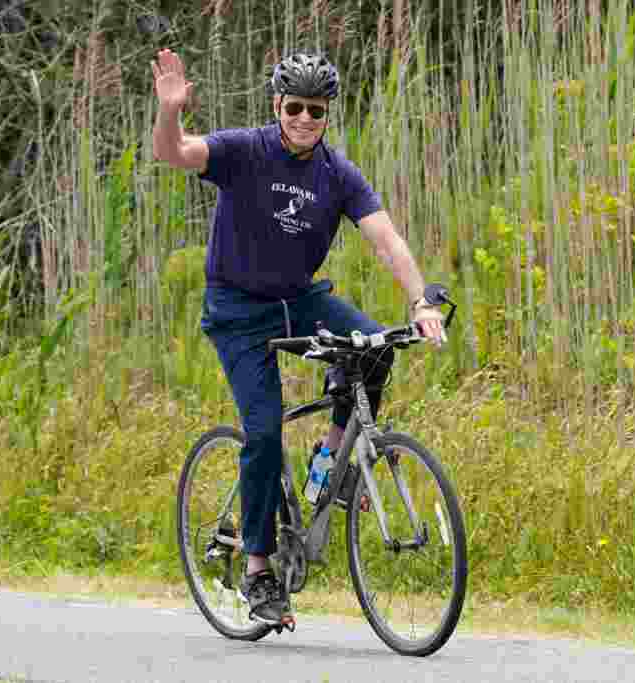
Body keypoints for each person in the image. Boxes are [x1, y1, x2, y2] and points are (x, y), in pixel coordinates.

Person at [151, 48, 446, 626]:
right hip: (237, 310)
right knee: (262, 431)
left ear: (328, 114)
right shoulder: (246, 151)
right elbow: (174, 152)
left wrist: (419, 299)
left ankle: (329, 460)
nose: (305, 119)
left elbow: (386, 240)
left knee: (376, 346)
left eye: (317, 110)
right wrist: (169, 113)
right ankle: (258, 569)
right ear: (277, 106)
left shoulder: (336, 173)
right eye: (295, 108)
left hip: (299, 300)